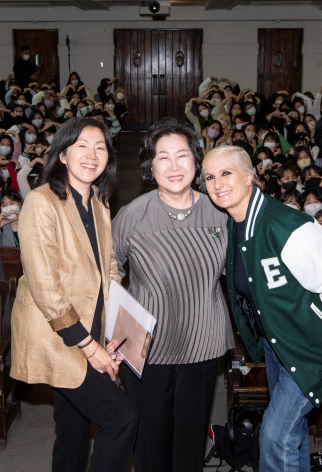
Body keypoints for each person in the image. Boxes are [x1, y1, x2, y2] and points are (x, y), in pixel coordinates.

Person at [202, 145, 322, 472]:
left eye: (226, 173)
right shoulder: (233, 224)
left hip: (312, 347)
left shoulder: (287, 225)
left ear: (250, 177)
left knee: (275, 437)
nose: (217, 183)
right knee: (290, 435)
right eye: (209, 176)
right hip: (278, 344)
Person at [10, 117, 138, 472]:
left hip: (91, 331)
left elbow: (109, 269)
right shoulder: (41, 202)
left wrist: (116, 332)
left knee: (74, 429)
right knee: (122, 417)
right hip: (60, 337)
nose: (92, 154)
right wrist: (90, 347)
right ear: (62, 155)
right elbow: (44, 285)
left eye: (100, 147)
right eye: (82, 145)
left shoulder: (99, 201)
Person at [112, 119, 232, 472]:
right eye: (163, 157)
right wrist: (115, 341)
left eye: (183, 155)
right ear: (150, 166)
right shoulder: (132, 215)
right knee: (150, 438)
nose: (174, 165)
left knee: (191, 437)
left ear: (197, 162)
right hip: (146, 345)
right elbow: (108, 276)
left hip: (203, 340)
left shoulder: (221, 212)